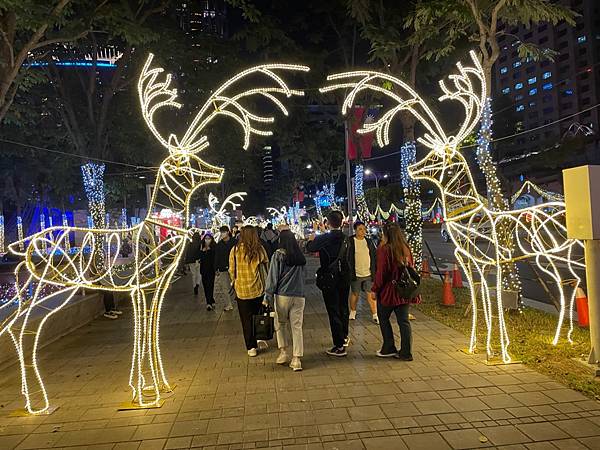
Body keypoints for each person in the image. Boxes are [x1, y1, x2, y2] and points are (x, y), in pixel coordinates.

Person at [372, 223, 420, 360]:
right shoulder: (405, 248)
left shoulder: (385, 249)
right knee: (404, 321)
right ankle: (406, 352)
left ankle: (389, 347)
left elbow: (381, 273)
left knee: (383, 318)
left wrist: (375, 289)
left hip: (389, 291)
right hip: (404, 290)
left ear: (386, 234)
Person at [306, 210, 350, 357]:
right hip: (344, 277)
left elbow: (310, 248)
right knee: (343, 306)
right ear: (342, 222)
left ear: (328, 223)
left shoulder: (325, 238)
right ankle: (344, 337)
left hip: (329, 278)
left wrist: (311, 239)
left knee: (333, 309)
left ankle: (339, 345)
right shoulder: (346, 239)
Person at [265, 230, 306, 371]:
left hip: (283, 295)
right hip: (299, 296)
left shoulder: (278, 255)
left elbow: (272, 278)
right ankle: (297, 359)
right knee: (297, 326)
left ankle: (283, 353)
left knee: (281, 324)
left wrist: (267, 296)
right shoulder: (300, 256)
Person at [229, 226, 269, 357]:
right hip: (257, 288)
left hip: (241, 290)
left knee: (246, 319)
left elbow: (231, 270)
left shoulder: (234, 250)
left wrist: (235, 281)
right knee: (258, 315)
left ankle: (251, 347)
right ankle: (260, 337)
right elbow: (266, 264)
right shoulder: (259, 249)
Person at [347, 222, 378, 324]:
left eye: (364, 229)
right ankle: (353, 311)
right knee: (355, 293)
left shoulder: (368, 242)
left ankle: (375, 314)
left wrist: (375, 270)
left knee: (370, 294)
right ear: (355, 230)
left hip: (368, 273)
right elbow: (348, 257)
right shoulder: (350, 241)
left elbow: (373, 256)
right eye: (360, 229)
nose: (363, 231)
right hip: (356, 273)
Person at [214, 225, 235, 311]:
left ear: (228, 232)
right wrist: (216, 268)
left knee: (235, 286)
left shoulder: (234, 242)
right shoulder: (219, 244)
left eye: (224, 232)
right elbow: (216, 257)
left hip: (234, 268)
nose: (222, 234)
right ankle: (228, 304)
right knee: (224, 287)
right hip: (223, 268)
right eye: (221, 232)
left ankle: (237, 300)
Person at [199, 234, 216, 310]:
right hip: (203, 270)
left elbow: (215, 259)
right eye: (206, 238)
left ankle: (209, 302)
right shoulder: (201, 247)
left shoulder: (214, 247)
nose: (207, 240)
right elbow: (199, 258)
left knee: (210, 285)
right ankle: (210, 299)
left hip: (211, 270)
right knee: (205, 286)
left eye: (209, 238)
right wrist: (202, 252)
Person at [185, 231, 202, 295]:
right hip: (198, 261)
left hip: (191, 261)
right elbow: (201, 253)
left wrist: (186, 261)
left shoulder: (190, 244)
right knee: (199, 274)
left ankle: (194, 286)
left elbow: (187, 253)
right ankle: (197, 284)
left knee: (193, 274)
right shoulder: (200, 244)